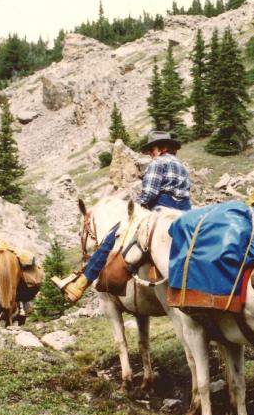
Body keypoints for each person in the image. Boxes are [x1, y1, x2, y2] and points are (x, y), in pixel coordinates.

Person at [53, 130, 191, 303]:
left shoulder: (157, 163)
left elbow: (149, 193)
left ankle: (80, 283)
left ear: (162, 148)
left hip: (161, 211)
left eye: (152, 149)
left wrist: (136, 207)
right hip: (185, 213)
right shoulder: (183, 166)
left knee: (117, 232)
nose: (149, 153)